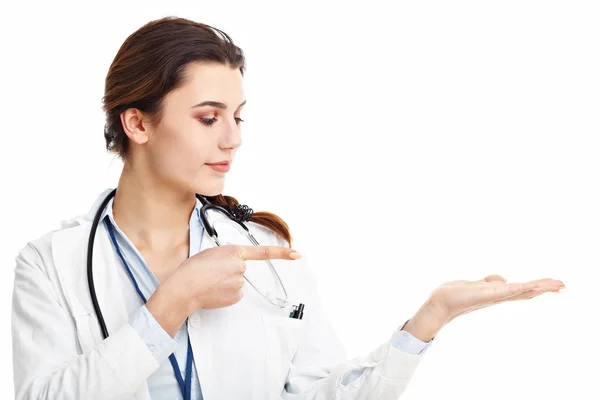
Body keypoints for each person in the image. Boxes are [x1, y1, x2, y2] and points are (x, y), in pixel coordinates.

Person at [11, 16, 564, 400]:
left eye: (238, 116)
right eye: (209, 118)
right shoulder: (49, 263)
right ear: (138, 123)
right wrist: (171, 304)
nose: (233, 139)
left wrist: (428, 320)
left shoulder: (261, 255)